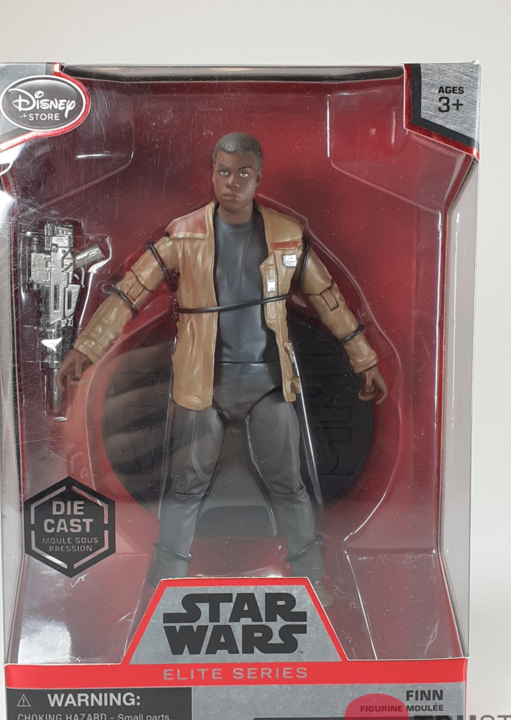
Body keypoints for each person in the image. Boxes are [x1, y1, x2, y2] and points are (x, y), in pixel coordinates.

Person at [57, 133, 387, 608]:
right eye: (224, 172)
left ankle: (313, 583)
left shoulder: (286, 234)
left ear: (259, 178)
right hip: (201, 386)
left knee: (290, 485)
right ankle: (164, 588)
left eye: (243, 173)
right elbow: (130, 292)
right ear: (212, 174)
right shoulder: (184, 234)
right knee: (185, 488)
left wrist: (365, 361)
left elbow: (328, 299)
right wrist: (86, 349)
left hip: (268, 385)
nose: (232, 182)